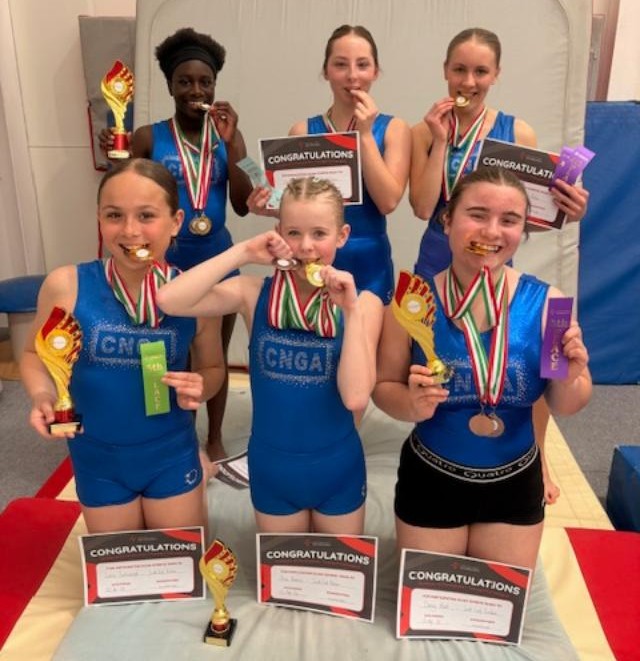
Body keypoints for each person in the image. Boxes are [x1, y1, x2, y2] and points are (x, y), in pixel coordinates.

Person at [373, 167, 591, 571]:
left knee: (497, 603)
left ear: (522, 230)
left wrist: (570, 375)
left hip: (515, 482)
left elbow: (565, 405)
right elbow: (384, 385)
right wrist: (410, 404)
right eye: (477, 214)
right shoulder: (410, 301)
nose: (491, 231)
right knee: (431, 602)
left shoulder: (550, 304)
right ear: (447, 220)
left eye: (509, 220)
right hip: (432, 477)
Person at [410, 27, 590, 503]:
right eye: (459, 69)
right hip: (437, 258)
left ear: (496, 75)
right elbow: (422, 206)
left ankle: (536, 454)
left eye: (480, 71)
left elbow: (526, 216)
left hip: (491, 261)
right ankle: (438, 443)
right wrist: (439, 142)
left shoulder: (518, 131)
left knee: (519, 356)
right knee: (440, 364)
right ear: (445, 71)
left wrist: (570, 210)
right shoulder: (423, 130)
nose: (468, 81)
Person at [158, 177, 383, 534]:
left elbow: (355, 397)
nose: (305, 246)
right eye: (293, 233)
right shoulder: (252, 293)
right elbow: (169, 300)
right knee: (283, 569)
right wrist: (244, 252)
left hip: (336, 468)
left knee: (334, 568)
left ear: (341, 236)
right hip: (272, 467)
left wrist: (351, 312)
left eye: (319, 234)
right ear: (277, 233)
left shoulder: (364, 303)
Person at [20, 159, 224, 534]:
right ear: (99, 218)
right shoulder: (67, 286)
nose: (130, 231)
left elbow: (213, 369)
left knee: (177, 562)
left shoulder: (199, 295)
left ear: (176, 221)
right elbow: (34, 354)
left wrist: (202, 385)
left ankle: (200, 469)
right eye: (115, 215)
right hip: (97, 458)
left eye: (146, 215)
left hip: (170, 454)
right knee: (121, 564)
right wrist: (42, 395)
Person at [100, 27, 253, 461]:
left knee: (213, 354)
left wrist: (231, 144)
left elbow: (244, 202)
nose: (196, 90)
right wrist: (114, 155)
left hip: (217, 259)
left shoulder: (229, 135)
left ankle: (214, 435)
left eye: (205, 82)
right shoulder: (149, 137)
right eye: (185, 81)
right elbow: (125, 190)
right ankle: (175, 431)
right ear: (170, 85)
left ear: (215, 86)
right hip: (164, 263)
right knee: (170, 350)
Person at [249, 24, 411, 304]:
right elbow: (294, 207)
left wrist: (364, 135)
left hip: (369, 259)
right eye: (340, 64)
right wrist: (268, 207)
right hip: (311, 258)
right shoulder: (302, 131)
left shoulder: (394, 129)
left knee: (367, 331)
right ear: (326, 71)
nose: (352, 75)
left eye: (362, 65)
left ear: (376, 71)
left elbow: (387, 202)